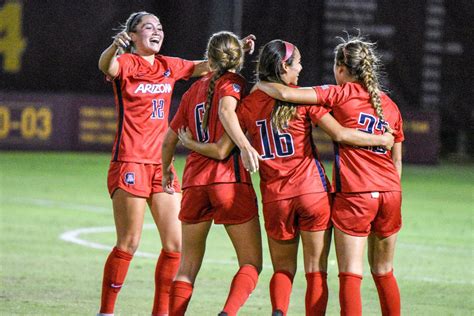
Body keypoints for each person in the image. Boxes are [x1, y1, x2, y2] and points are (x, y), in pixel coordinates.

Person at [178, 39, 394, 316]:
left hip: (276, 199)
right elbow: (339, 133)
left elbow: (221, 149)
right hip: (312, 194)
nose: (301, 68)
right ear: (284, 66)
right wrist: (382, 138)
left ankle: (278, 312)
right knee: (316, 272)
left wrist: (193, 144)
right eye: (298, 63)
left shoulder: (247, 106)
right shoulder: (303, 100)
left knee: (282, 269)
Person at [96, 11, 255, 316]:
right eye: (148, 27)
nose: (156, 31)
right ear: (132, 36)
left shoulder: (169, 66)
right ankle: (106, 311)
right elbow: (107, 66)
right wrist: (114, 48)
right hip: (130, 161)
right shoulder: (127, 62)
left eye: (159, 26)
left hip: (161, 166)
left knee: (174, 245)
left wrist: (237, 50)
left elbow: (205, 66)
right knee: (128, 243)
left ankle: (161, 313)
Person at [257, 35, 404, 316]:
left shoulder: (340, 94)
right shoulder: (391, 106)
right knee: (384, 271)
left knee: (350, 274)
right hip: (391, 193)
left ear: (341, 69)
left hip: (356, 194)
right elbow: (396, 160)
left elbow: (287, 94)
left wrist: (261, 82)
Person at [161, 31, 262, 316]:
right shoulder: (236, 85)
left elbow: (168, 140)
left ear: (209, 57)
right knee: (251, 264)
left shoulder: (193, 91)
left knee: (187, 267)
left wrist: (166, 169)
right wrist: (244, 146)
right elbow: (224, 124)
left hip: (194, 184)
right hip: (229, 181)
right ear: (237, 59)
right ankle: (227, 313)